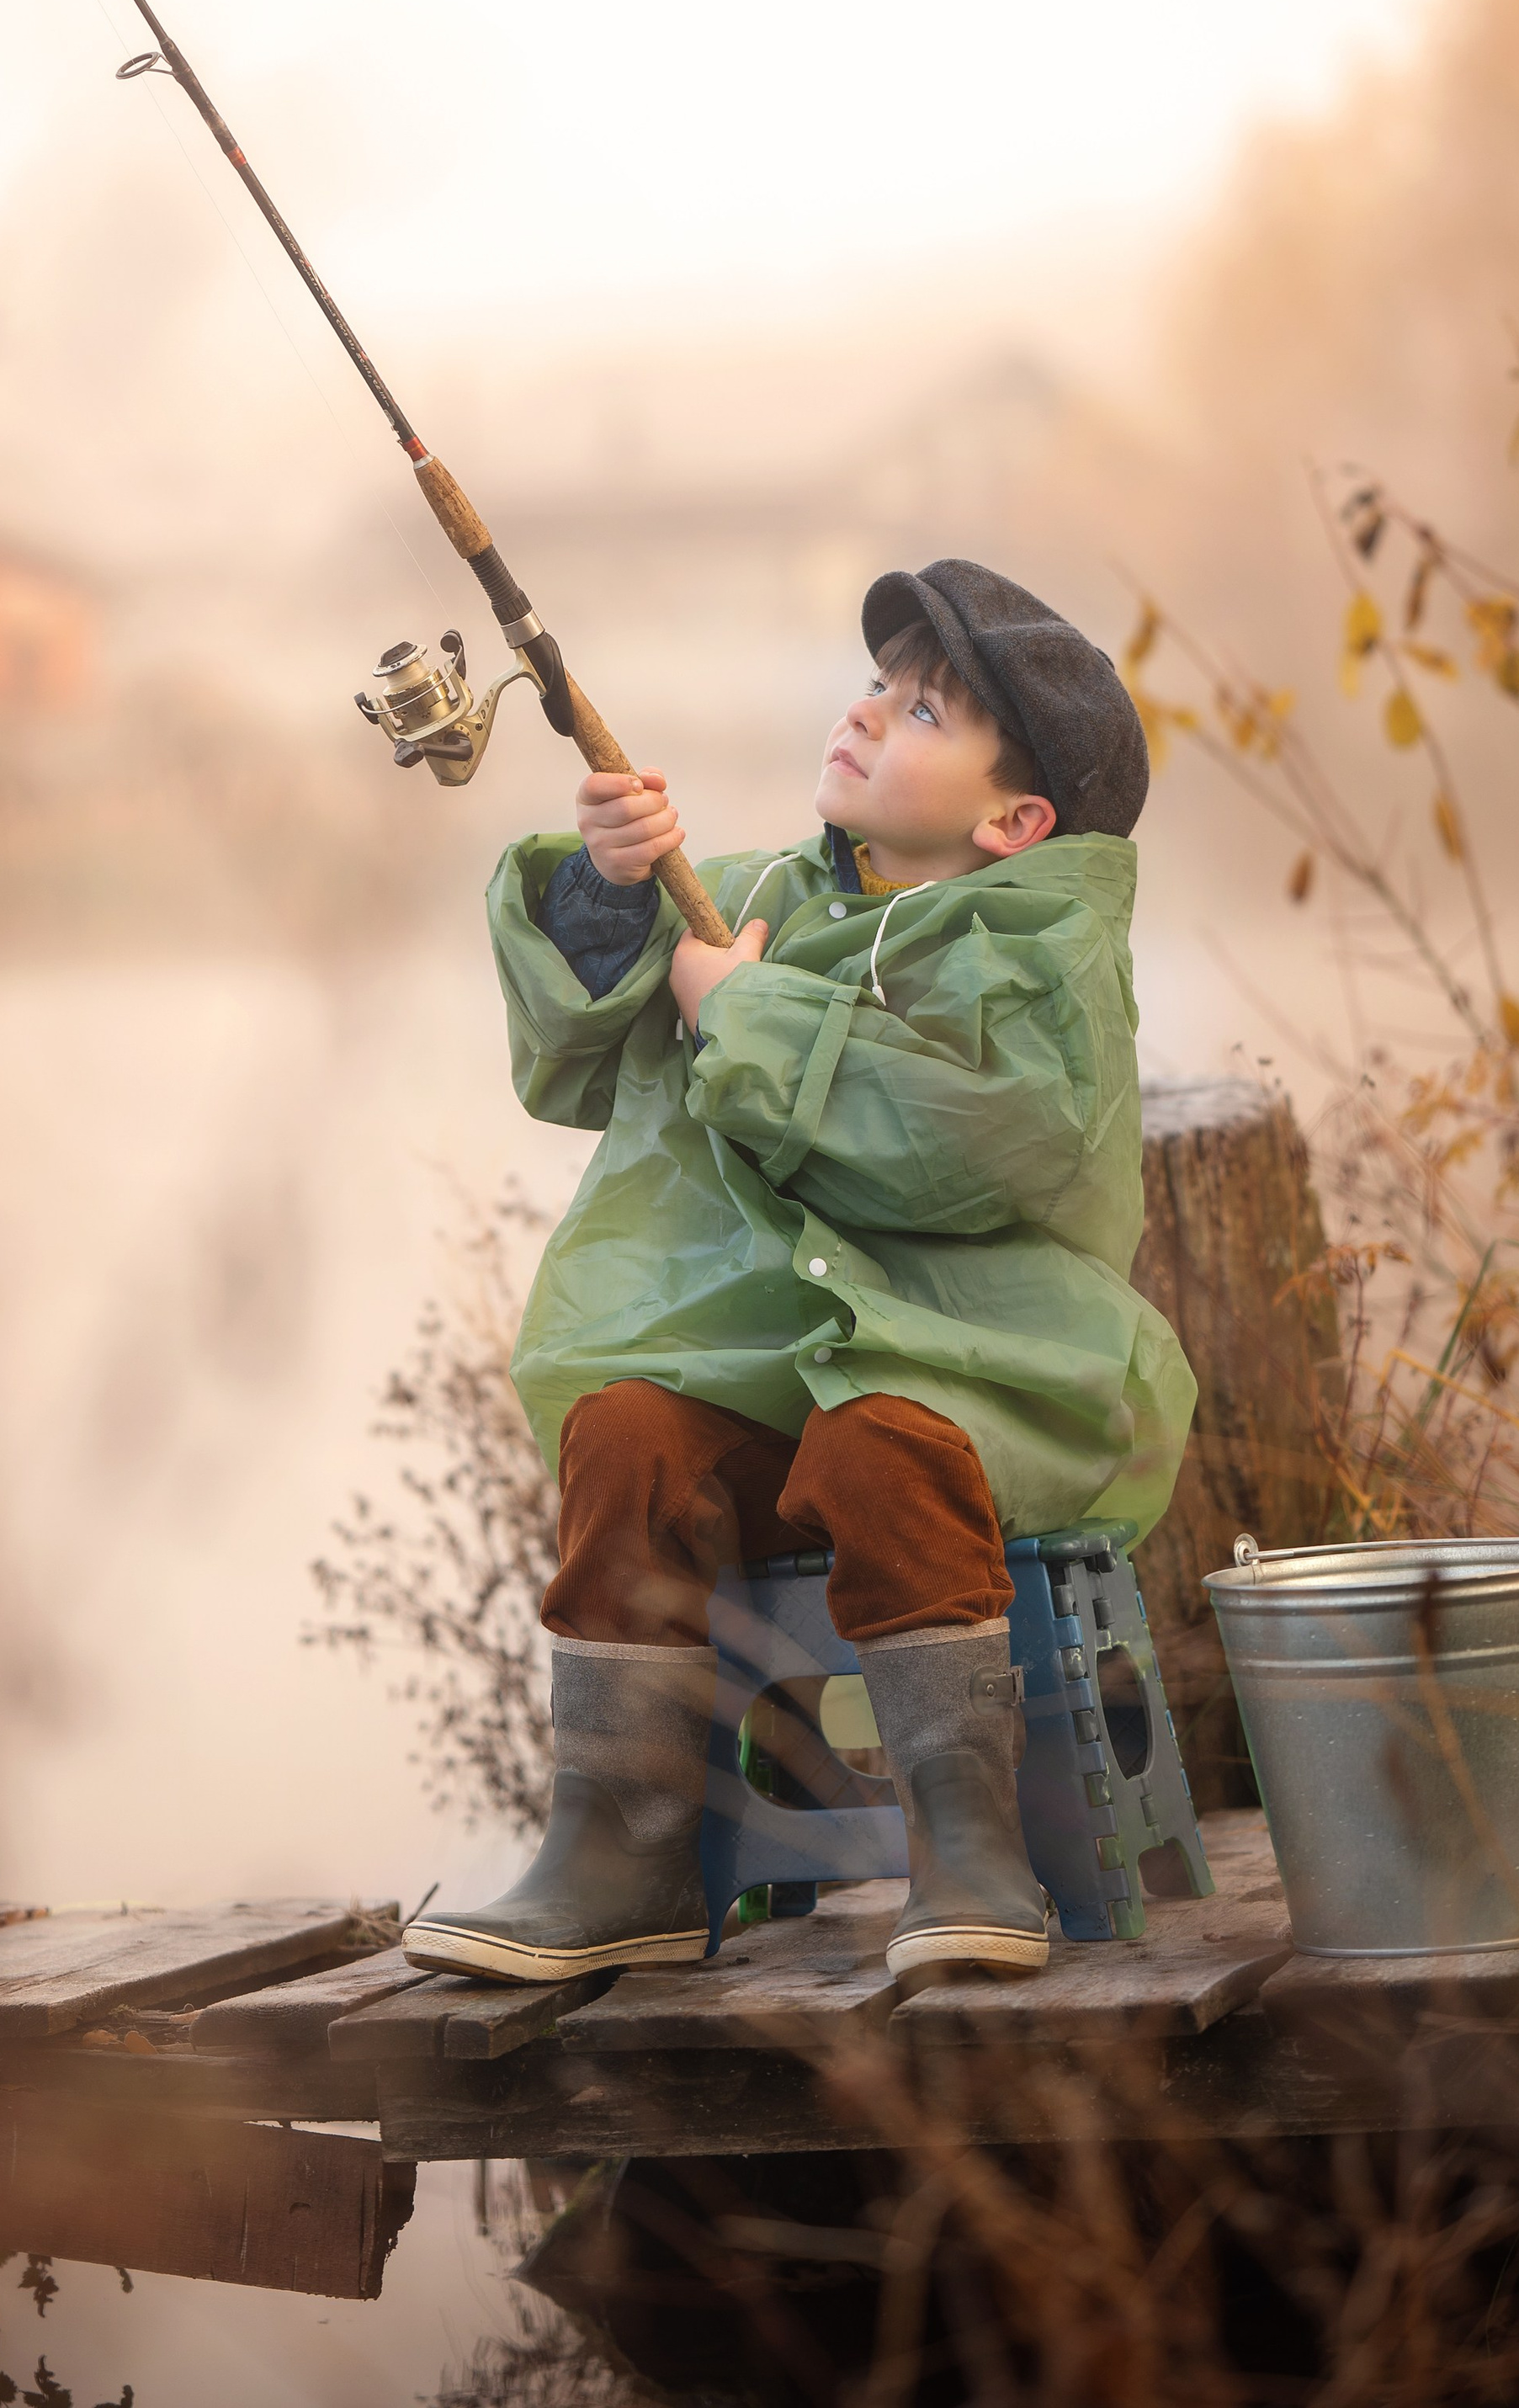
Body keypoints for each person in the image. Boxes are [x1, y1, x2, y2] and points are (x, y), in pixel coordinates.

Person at [402, 560, 1194, 1991]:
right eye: (880, 686)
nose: (870, 713)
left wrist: (743, 1010)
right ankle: (621, 1852)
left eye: (925, 711)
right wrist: (608, 891)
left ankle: (970, 1848)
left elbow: (969, 1141)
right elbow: (584, 1061)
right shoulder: (761, 894)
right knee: (632, 1437)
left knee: (883, 1439)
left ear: (1015, 820)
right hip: (768, 1371)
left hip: (984, 1379)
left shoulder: (1042, 955)